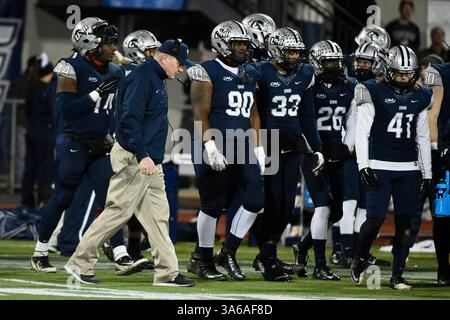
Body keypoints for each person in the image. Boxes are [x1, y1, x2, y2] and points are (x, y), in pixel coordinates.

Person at [64, 38, 196, 287]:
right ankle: (79, 262)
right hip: (135, 157)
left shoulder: (155, 77)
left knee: (158, 218)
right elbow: (129, 121)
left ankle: (167, 273)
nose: (180, 69)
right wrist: (143, 154)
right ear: (165, 57)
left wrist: (151, 157)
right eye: (179, 64)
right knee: (117, 211)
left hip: (151, 161)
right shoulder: (142, 78)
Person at [30, 17, 144, 275]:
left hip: (100, 144)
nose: (113, 47)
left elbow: (117, 108)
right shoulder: (70, 67)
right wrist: (96, 92)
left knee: (112, 201)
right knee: (62, 198)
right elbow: (67, 110)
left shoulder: (115, 71)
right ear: (90, 44)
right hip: (74, 142)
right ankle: (40, 252)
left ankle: (120, 253)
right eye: (108, 43)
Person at [186, 20, 265, 281]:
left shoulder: (250, 71)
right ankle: (203, 259)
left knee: (255, 200)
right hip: (215, 142)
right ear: (222, 44)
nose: (243, 49)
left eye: (245, 44)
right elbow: (200, 114)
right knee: (213, 203)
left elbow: (253, 112)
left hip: (242, 144)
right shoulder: (206, 70)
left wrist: (259, 148)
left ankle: (228, 251)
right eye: (238, 44)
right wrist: (210, 146)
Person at [351, 45, 432, 290]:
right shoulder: (372, 90)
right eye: (400, 73)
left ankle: (397, 275)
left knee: (405, 224)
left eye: (409, 73)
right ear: (388, 70)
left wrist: (426, 173)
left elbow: (423, 137)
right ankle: (360, 257)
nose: (405, 78)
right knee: (374, 220)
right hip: (380, 164)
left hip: (408, 167)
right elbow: (362, 132)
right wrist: (363, 166)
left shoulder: (422, 94)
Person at [251, 28, 325, 281]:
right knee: (272, 200)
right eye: (290, 51)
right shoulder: (260, 71)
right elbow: (254, 113)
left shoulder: (305, 73)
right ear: (276, 51)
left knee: (285, 206)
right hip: (268, 141)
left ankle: (266, 255)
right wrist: (256, 144)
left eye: (296, 51)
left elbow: (307, 115)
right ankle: (268, 258)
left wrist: (317, 147)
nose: (295, 56)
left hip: (293, 144)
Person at [101, 29, 161, 270]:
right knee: (119, 201)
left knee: (137, 201)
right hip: (124, 142)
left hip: (135, 142)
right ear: (137, 51)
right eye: (150, 50)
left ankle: (133, 250)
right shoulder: (129, 74)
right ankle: (110, 246)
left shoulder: (131, 71)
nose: (154, 55)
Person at [423, 57, 450, 286]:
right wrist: (435, 148)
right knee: (443, 215)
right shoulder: (437, 72)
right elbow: (431, 115)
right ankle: (444, 269)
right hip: (444, 154)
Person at [20, 53, 55, 210]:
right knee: (44, 169)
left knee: (29, 168)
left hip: (31, 131)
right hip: (44, 133)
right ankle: (43, 201)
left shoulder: (32, 86)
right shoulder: (47, 89)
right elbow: (53, 113)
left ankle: (26, 201)